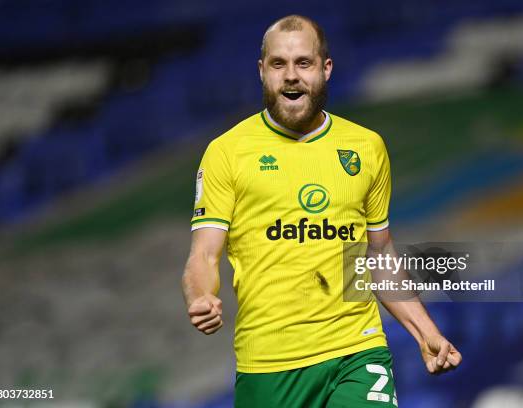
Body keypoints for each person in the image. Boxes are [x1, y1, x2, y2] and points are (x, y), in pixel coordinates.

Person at [182, 15, 461, 407]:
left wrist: (425, 332)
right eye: (278, 64)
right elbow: (204, 254)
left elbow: (377, 253)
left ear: (325, 69)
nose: (291, 76)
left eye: (303, 63)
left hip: (357, 350)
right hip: (269, 365)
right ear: (262, 72)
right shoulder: (227, 152)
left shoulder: (366, 147)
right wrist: (200, 296)